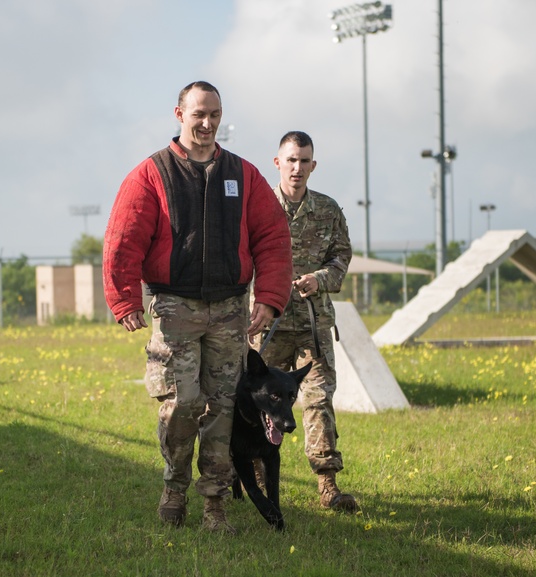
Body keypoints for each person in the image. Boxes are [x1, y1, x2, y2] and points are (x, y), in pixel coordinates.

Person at [103, 81, 293, 534]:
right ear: (179, 113)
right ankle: (174, 484)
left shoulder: (244, 175)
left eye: (215, 115)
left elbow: (273, 239)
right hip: (175, 308)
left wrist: (268, 298)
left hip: (230, 311)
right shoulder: (152, 174)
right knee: (182, 403)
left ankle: (215, 503)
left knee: (223, 408)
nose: (207, 123)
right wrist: (124, 298)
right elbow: (123, 239)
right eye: (199, 114)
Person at [257, 130, 358, 513]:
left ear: (313, 165)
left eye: (304, 161)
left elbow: (341, 259)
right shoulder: (259, 205)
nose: (297, 168)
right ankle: (259, 475)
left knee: (318, 400)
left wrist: (320, 279)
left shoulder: (328, 210)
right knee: (265, 403)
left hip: (313, 325)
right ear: (278, 162)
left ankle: (327, 483)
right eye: (291, 160)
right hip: (267, 325)